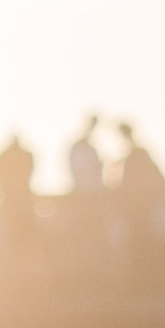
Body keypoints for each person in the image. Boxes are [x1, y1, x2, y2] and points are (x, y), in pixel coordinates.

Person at [113, 121, 165, 273]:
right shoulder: (136, 155)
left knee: (142, 239)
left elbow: (134, 184)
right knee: (142, 239)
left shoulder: (137, 155)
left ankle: (146, 273)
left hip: (142, 207)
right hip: (141, 207)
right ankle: (147, 273)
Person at [64, 113, 107, 267]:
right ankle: (85, 264)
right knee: (85, 231)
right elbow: (83, 172)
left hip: (92, 195)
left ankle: (93, 264)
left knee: (93, 232)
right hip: (84, 195)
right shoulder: (80, 147)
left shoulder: (87, 147)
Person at [0, 133, 39, 263]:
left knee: (19, 230)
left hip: (15, 198)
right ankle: (17, 256)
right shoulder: (25, 155)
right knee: (15, 230)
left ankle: (17, 256)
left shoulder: (5, 156)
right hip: (17, 198)